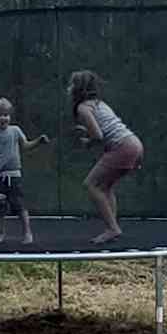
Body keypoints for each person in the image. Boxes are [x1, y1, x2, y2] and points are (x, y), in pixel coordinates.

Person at [68, 71, 144, 242]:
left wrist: (88, 142)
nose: (69, 88)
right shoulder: (100, 104)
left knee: (91, 185)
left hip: (123, 147)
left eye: (72, 85)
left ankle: (112, 228)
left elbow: (98, 135)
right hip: (135, 144)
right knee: (106, 186)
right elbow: (106, 128)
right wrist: (89, 135)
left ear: (78, 89)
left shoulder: (83, 108)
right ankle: (113, 226)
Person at [0, 95, 48, 248]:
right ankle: (0, 233)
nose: (3, 118)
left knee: (19, 205)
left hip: (14, 175)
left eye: (6, 115)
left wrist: (38, 141)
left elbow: (25, 145)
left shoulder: (15, 131)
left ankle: (27, 232)